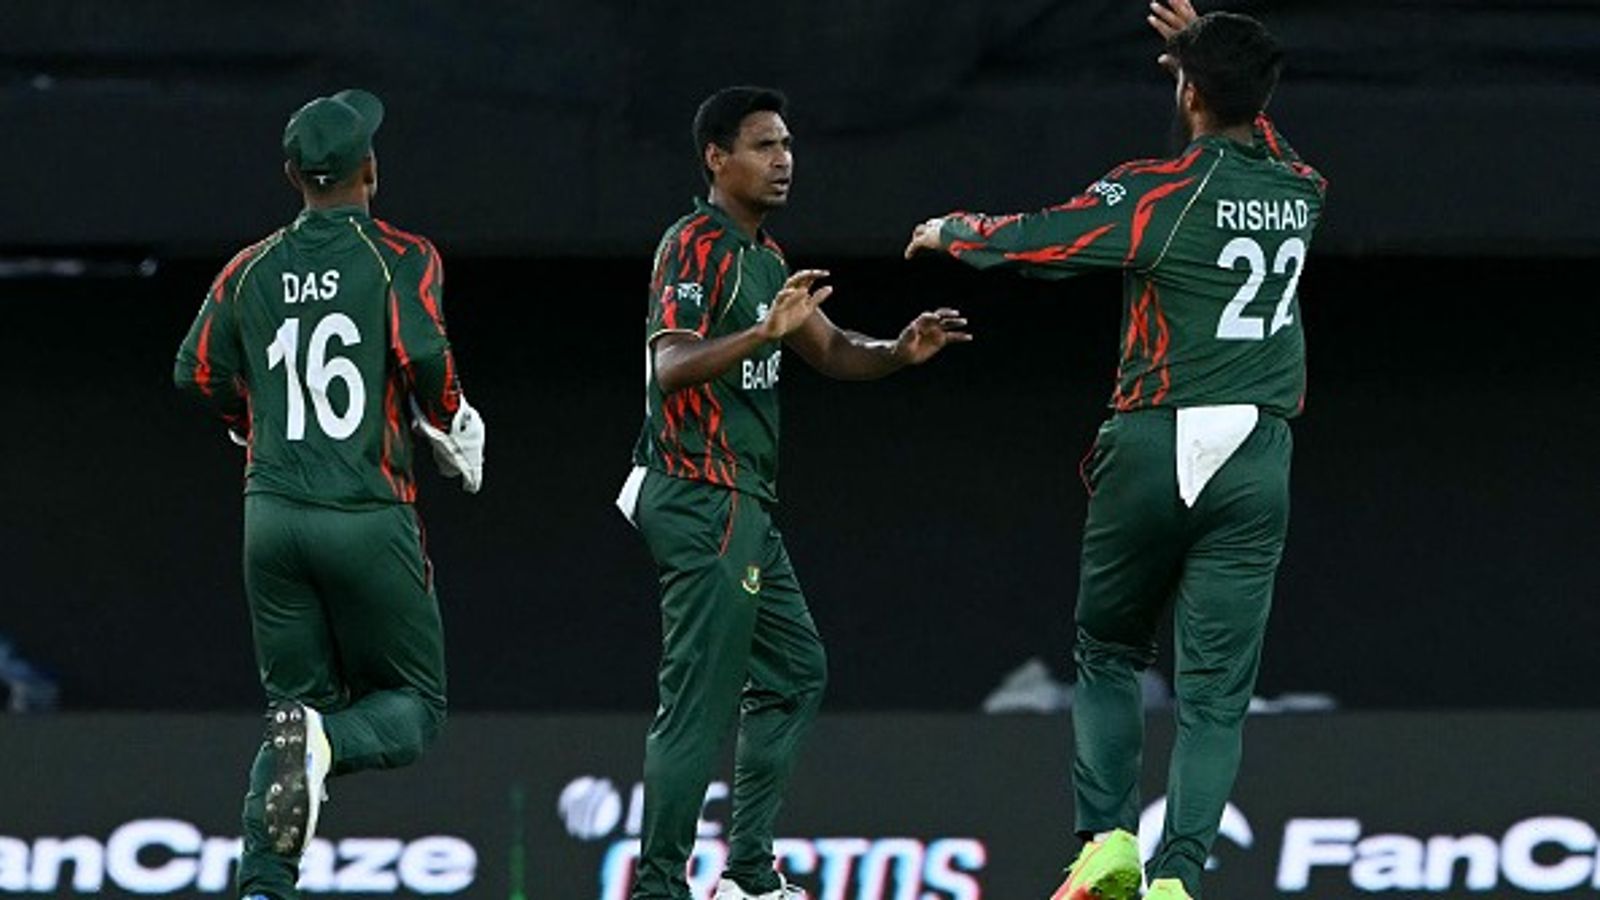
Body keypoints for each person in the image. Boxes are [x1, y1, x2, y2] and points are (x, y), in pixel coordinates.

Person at [905, 3, 1326, 898]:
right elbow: (1262, 137)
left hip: (1155, 434)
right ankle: (1177, 879)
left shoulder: (1159, 191)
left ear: (1190, 90)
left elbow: (1051, 238)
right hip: (1257, 456)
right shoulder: (1302, 187)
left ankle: (1106, 842)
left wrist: (956, 231)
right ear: (1261, 99)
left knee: (1108, 651)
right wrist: (1213, 54)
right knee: (1214, 699)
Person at [617, 85, 969, 900]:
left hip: (742, 496)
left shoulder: (766, 259)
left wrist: (896, 351)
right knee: (699, 700)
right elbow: (668, 367)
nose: (783, 161)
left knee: (796, 672)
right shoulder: (693, 244)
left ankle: (746, 875)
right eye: (763, 145)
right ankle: (661, 887)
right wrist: (759, 335)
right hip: (699, 489)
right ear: (716, 156)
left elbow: (834, 349)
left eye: (787, 145)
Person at [174, 88, 485, 900]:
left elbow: (194, 371)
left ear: (290, 173)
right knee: (414, 708)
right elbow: (422, 355)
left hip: (270, 517)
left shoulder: (248, 268)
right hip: (365, 511)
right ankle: (325, 743)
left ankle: (263, 887)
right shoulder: (403, 255)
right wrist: (453, 422)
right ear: (371, 170)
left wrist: (252, 419)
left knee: (290, 712)